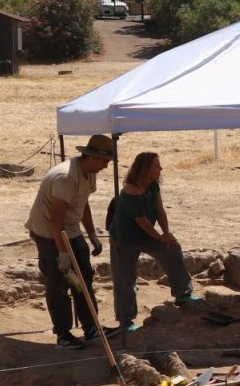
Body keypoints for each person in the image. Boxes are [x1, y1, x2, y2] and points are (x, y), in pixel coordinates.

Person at [27, 134, 115, 345]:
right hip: (49, 233)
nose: (105, 167)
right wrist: (63, 253)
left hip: (71, 229)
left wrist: (92, 234)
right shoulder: (65, 177)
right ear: (92, 157)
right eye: (104, 161)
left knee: (83, 279)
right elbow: (55, 218)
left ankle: (92, 327)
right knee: (58, 281)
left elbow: (82, 204)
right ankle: (63, 335)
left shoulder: (89, 173)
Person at [107, 151, 200, 333]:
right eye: (157, 166)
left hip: (147, 234)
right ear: (145, 169)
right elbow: (142, 221)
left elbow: (159, 210)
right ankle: (126, 320)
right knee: (125, 278)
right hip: (125, 239)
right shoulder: (130, 192)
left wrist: (167, 234)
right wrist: (159, 237)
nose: (161, 168)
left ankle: (183, 293)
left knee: (171, 249)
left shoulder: (152, 186)